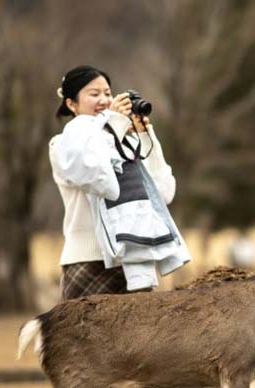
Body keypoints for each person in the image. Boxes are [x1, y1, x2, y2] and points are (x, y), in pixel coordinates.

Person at [50, 65, 180, 300]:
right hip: (89, 261)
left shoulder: (122, 142)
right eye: (94, 94)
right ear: (71, 104)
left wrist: (144, 136)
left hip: (133, 259)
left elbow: (163, 192)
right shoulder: (62, 144)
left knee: (143, 337)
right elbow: (96, 176)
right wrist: (115, 126)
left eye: (108, 93)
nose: (104, 100)